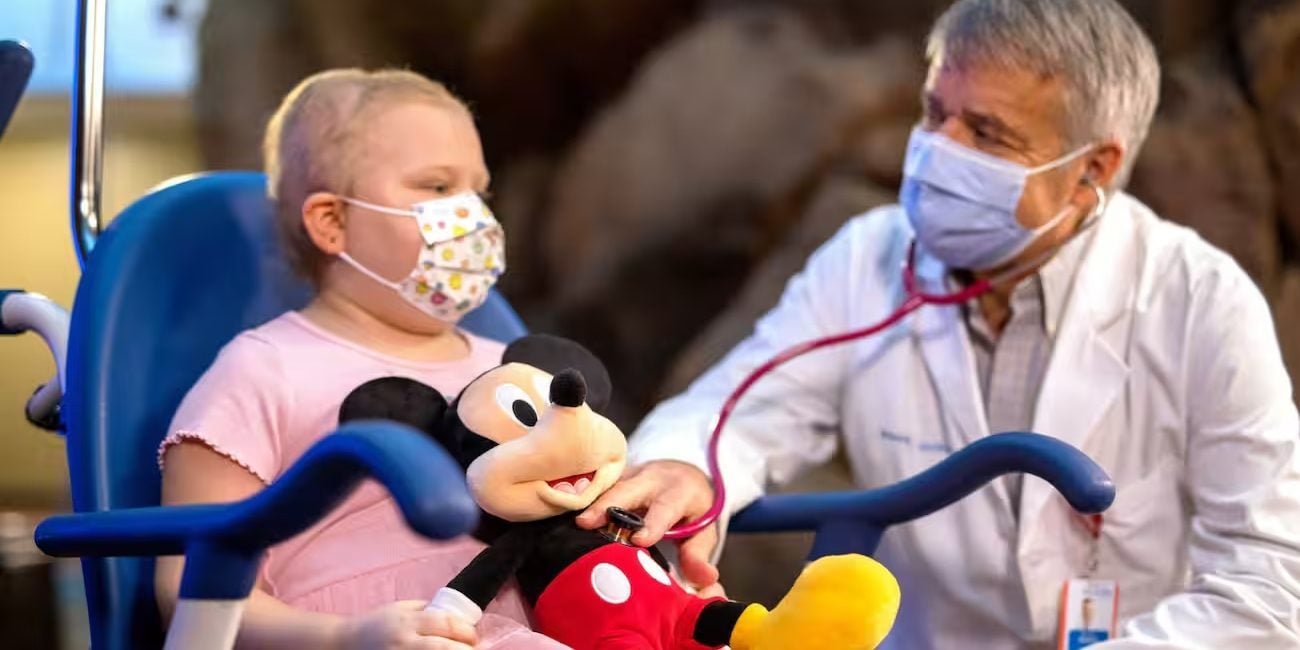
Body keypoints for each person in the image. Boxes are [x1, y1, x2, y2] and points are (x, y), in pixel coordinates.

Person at [578, 0, 1300, 647]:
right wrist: (686, 467)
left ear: (1094, 170)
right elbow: (737, 411)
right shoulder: (867, 258)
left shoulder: (1199, 299)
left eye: (987, 132)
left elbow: (1272, 582)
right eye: (934, 113)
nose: (937, 152)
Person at [155, 69, 565, 649]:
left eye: (480, 191)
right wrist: (343, 638)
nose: (474, 217)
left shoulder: (516, 377)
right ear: (332, 222)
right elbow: (189, 593)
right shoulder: (264, 371)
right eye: (438, 187)